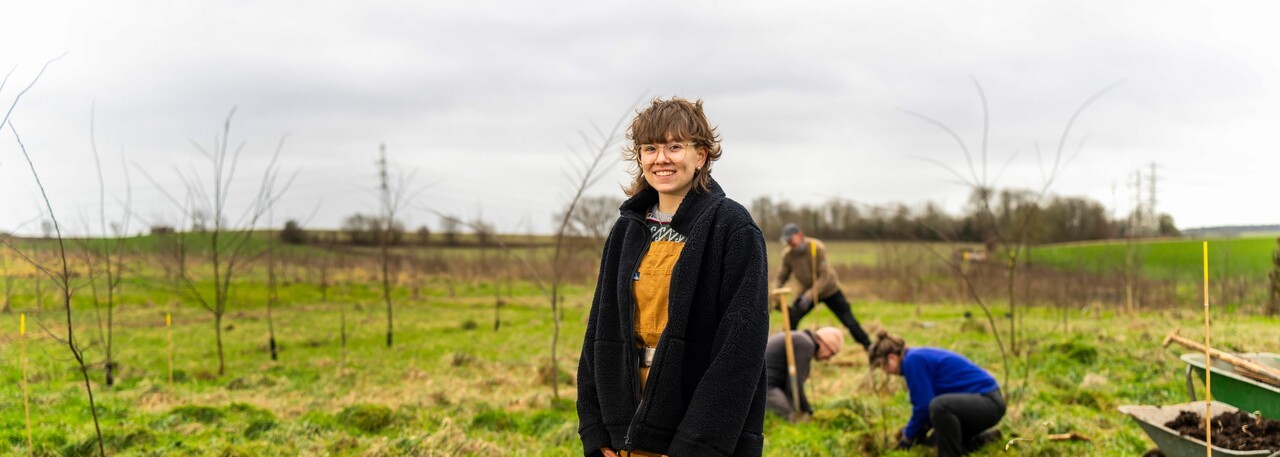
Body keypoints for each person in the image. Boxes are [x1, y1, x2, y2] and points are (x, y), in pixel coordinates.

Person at [577, 97, 769, 457]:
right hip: (626, 425)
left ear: (702, 155)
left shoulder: (733, 228)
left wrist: (694, 444)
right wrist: (596, 429)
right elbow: (598, 335)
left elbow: (740, 350)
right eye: (650, 148)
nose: (660, 158)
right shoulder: (626, 230)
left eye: (675, 147)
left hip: (694, 426)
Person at [868, 330, 1004, 457]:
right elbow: (927, 409)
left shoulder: (912, 361)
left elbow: (924, 406)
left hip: (988, 402)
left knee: (939, 406)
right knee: (935, 439)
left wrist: (906, 438)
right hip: (980, 405)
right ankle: (984, 440)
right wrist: (915, 431)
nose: (885, 372)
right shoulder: (914, 357)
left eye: (882, 366)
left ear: (891, 358)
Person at [775, 223, 872, 350]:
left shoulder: (817, 247)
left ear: (800, 235)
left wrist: (810, 295)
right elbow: (782, 275)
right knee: (792, 318)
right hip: (806, 291)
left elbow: (825, 276)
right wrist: (775, 291)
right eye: (786, 241)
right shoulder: (788, 255)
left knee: (848, 320)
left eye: (791, 239)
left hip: (829, 290)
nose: (789, 243)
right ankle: (786, 349)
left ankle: (868, 346)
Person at [764, 326, 844, 421]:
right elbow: (794, 385)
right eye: (831, 353)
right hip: (765, 387)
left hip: (766, 383)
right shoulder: (805, 344)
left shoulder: (801, 339)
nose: (828, 359)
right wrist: (808, 411)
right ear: (826, 344)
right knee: (794, 418)